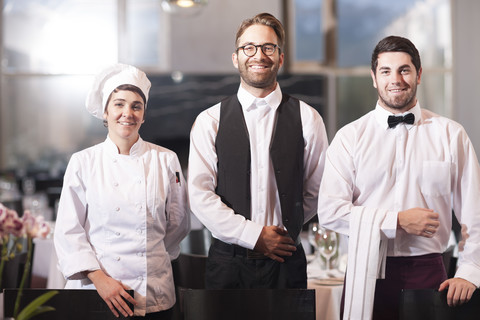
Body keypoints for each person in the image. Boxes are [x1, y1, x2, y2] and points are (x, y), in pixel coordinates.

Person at [317, 35, 480, 319]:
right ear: (373, 77)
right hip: (364, 271)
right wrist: (399, 221)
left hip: (431, 270)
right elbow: (330, 212)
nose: (396, 79)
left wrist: (469, 271)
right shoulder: (349, 138)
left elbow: (474, 213)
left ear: (418, 74)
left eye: (404, 70)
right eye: (386, 71)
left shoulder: (451, 135)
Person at [187, 12, 328, 289]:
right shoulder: (209, 121)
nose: (258, 55)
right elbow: (199, 195)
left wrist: (285, 229)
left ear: (280, 57)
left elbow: (319, 189)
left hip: (287, 261)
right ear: (236, 57)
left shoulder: (308, 118)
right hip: (228, 262)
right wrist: (253, 235)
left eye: (268, 47)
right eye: (248, 48)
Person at [54, 63, 190, 319]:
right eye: (119, 104)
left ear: (144, 114)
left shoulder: (166, 160)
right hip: (97, 292)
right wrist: (100, 279)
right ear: (105, 112)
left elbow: (178, 224)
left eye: (136, 106)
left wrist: (151, 256)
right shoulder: (83, 162)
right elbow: (68, 232)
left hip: (153, 294)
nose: (127, 112)